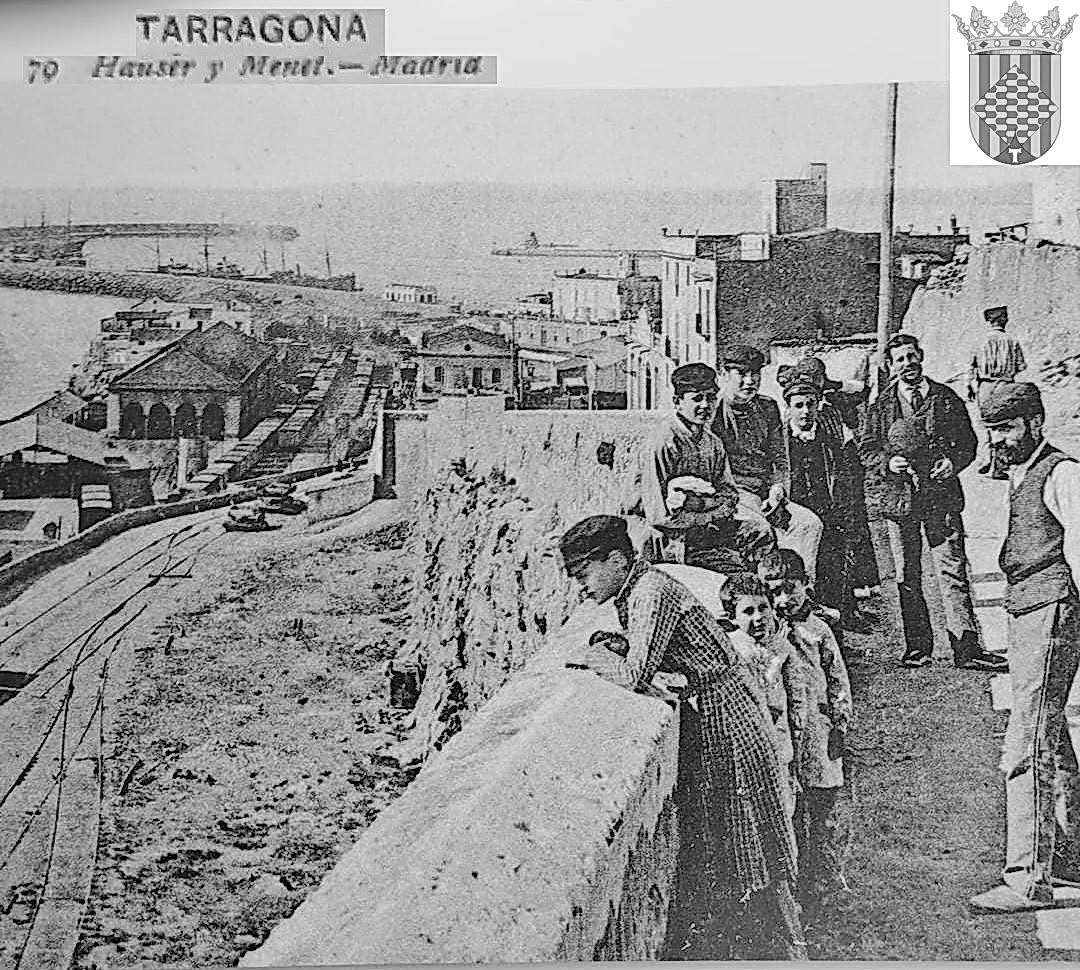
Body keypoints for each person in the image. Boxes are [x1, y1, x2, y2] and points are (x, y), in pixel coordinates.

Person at [557, 515, 806, 958]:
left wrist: (595, 655)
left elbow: (634, 675)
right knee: (740, 833)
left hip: (728, 712)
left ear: (616, 560)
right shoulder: (641, 587)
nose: (580, 587)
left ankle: (781, 947)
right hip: (719, 705)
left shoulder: (651, 591)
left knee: (749, 828)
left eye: (583, 574)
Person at [969, 382, 1080, 913]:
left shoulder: (1062, 473)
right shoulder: (1020, 470)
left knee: (1025, 745)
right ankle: (1072, 858)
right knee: (1051, 738)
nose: (998, 440)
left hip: (1051, 610)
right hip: (1027, 610)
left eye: (1007, 428)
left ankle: (1027, 880)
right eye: (991, 430)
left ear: (1036, 423)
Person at [858, 332, 1006, 672]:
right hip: (900, 502)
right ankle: (917, 647)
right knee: (907, 575)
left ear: (921, 356)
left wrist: (953, 463)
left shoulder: (946, 398)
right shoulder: (880, 407)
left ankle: (967, 648)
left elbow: (968, 443)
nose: (908, 363)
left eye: (912, 356)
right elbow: (866, 449)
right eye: (900, 359)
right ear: (891, 366)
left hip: (941, 498)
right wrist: (887, 463)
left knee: (952, 570)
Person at [759, 549, 853, 906]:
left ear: (805, 584)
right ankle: (796, 880)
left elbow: (837, 678)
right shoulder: (768, 635)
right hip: (786, 734)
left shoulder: (818, 630)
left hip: (817, 729)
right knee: (792, 807)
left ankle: (826, 874)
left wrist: (841, 723)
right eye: (774, 592)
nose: (783, 599)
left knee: (824, 804)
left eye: (790, 589)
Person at [639, 361, 774, 571]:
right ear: (677, 402)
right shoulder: (664, 441)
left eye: (710, 398)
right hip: (673, 536)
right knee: (735, 570)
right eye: (696, 399)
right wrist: (709, 514)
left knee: (760, 532)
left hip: (706, 527)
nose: (705, 405)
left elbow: (730, 495)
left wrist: (701, 505)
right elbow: (659, 515)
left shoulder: (712, 442)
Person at [712, 344, 824, 582]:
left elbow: (780, 459)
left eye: (755, 373)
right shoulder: (714, 413)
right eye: (741, 373)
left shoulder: (768, 407)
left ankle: (801, 591)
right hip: (734, 497)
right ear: (724, 374)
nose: (749, 381)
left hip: (765, 494)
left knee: (809, 524)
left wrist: (777, 489)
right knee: (761, 531)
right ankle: (765, 592)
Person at [724, 572, 807, 823]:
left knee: (783, 809)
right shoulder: (730, 650)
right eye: (748, 611)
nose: (758, 617)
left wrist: (797, 739)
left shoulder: (782, 648)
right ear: (732, 616)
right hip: (746, 746)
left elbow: (797, 698)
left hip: (780, 743)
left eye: (763, 608)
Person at [781, 378, 858, 629]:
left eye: (810, 404)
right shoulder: (780, 441)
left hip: (827, 513)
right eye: (799, 405)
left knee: (831, 572)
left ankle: (833, 631)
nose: (805, 411)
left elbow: (843, 479)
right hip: (793, 518)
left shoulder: (829, 441)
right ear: (789, 408)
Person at [968, 305, 1027, 480]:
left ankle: (986, 460)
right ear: (1004, 320)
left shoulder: (980, 341)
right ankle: (999, 465)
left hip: (985, 386)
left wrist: (970, 386)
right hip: (1005, 385)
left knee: (985, 424)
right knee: (1003, 425)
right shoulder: (1012, 341)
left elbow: (971, 366)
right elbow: (1021, 366)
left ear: (989, 321)